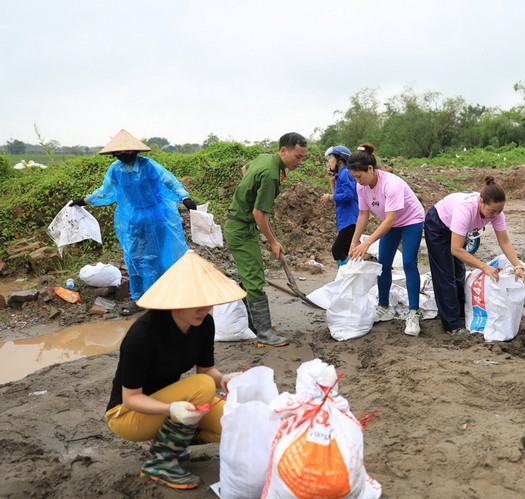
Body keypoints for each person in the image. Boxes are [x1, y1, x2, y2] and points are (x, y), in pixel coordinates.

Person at [104, 250, 246, 490]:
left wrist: (225, 380)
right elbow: (130, 399)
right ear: (176, 301)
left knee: (237, 424)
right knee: (201, 386)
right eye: (196, 303)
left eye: (207, 301)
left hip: (165, 405)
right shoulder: (143, 334)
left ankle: (169, 441)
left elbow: (207, 370)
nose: (204, 309)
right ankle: (161, 463)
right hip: (127, 415)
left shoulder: (203, 324)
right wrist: (170, 408)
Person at [68, 129, 195, 316]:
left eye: (127, 152)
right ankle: (140, 298)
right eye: (119, 153)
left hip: (156, 216)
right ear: (114, 154)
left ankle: (161, 294)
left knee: (156, 256)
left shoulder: (148, 166)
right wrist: (85, 200)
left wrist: (184, 197)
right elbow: (106, 190)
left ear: (135, 151)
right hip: (134, 217)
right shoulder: (116, 169)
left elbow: (169, 181)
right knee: (133, 257)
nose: (123, 155)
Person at [225, 132, 307, 347]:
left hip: (241, 225)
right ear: (283, 150)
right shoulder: (271, 175)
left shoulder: (264, 158)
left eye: (302, 157)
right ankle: (264, 334)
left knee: (250, 275)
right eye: (297, 157)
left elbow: (245, 170)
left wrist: (248, 190)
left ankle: (255, 325)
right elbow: (259, 214)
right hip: (241, 228)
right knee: (254, 279)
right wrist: (273, 242)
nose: (300, 162)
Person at [424, 176, 525, 336]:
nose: (494, 215)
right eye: (492, 211)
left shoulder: (496, 212)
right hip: (439, 224)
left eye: (499, 211)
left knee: (459, 272)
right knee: (445, 275)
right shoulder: (465, 209)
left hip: (458, 228)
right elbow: (456, 249)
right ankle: (452, 325)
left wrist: (517, 266)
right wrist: (484, 266)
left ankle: (458, 311)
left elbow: (504, 241)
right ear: (481, 202)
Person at [347, 143, 426, 336]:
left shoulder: (391, 184)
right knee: (383, 264)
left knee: (408, 262)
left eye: (359, 176)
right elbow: (363, 214)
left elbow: (390, 219)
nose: (358, 181)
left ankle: (414, 312)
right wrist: (354, 242)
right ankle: (384, 307)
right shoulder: (362, 187)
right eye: (354, 177)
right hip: (391, 222)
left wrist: (367, 243)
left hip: (411, 220)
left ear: (371, 169)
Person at [320, 145, 358, 267]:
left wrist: (329, 197)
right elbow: (339, 197)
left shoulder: (345, 173)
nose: (329, 161)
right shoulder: (340, 175)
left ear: (340, 160)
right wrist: (332, 181)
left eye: (331, 158)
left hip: (350, 219)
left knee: (337, 250)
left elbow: (348, 195)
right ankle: (346, 278)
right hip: (345, 219)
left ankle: (348, 274)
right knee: (345, 251)